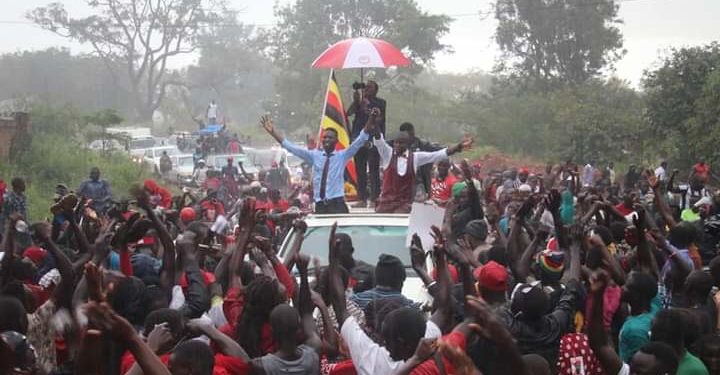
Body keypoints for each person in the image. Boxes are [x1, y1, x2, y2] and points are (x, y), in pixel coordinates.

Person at [260, 111, 378, 214]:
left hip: (336, 204)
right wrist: (273, 132)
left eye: (330, 138)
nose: (326, 140)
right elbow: (291, 147)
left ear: (336, 141)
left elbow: (360, 140)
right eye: (324, 137)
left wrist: (371, 118)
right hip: (320, 205)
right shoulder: (314, 155)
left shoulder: (342, 156)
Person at [373, 130, 473, 213]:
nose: (397, 145)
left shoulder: (416, 157)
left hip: (404, 205)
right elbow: (379, 140)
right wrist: (373, 120)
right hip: (385, 203)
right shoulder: (387, 154)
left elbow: (437, 154)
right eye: (396, 142)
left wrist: (459, 147)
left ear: (408, 144)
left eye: (401, 143)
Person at [347, 80, 386, 207]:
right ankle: (362, 198)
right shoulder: (360, 102)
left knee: (373, 169)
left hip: (372, 139)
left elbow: (379, 119)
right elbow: (348, 113)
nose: (367, 89)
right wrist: (356, 101)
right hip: (358, 138)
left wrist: (366, 106)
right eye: (366, 87)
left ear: (376, 90)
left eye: (369, 87)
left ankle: (375, 199)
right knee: (360, 169)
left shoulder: (380, 103)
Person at [398, 122, 444, 200]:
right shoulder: (397, 146)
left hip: (421, 184)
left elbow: (438, 151)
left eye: (410, 134)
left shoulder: (423, 145)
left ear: (413, 132)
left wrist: (455, 148)